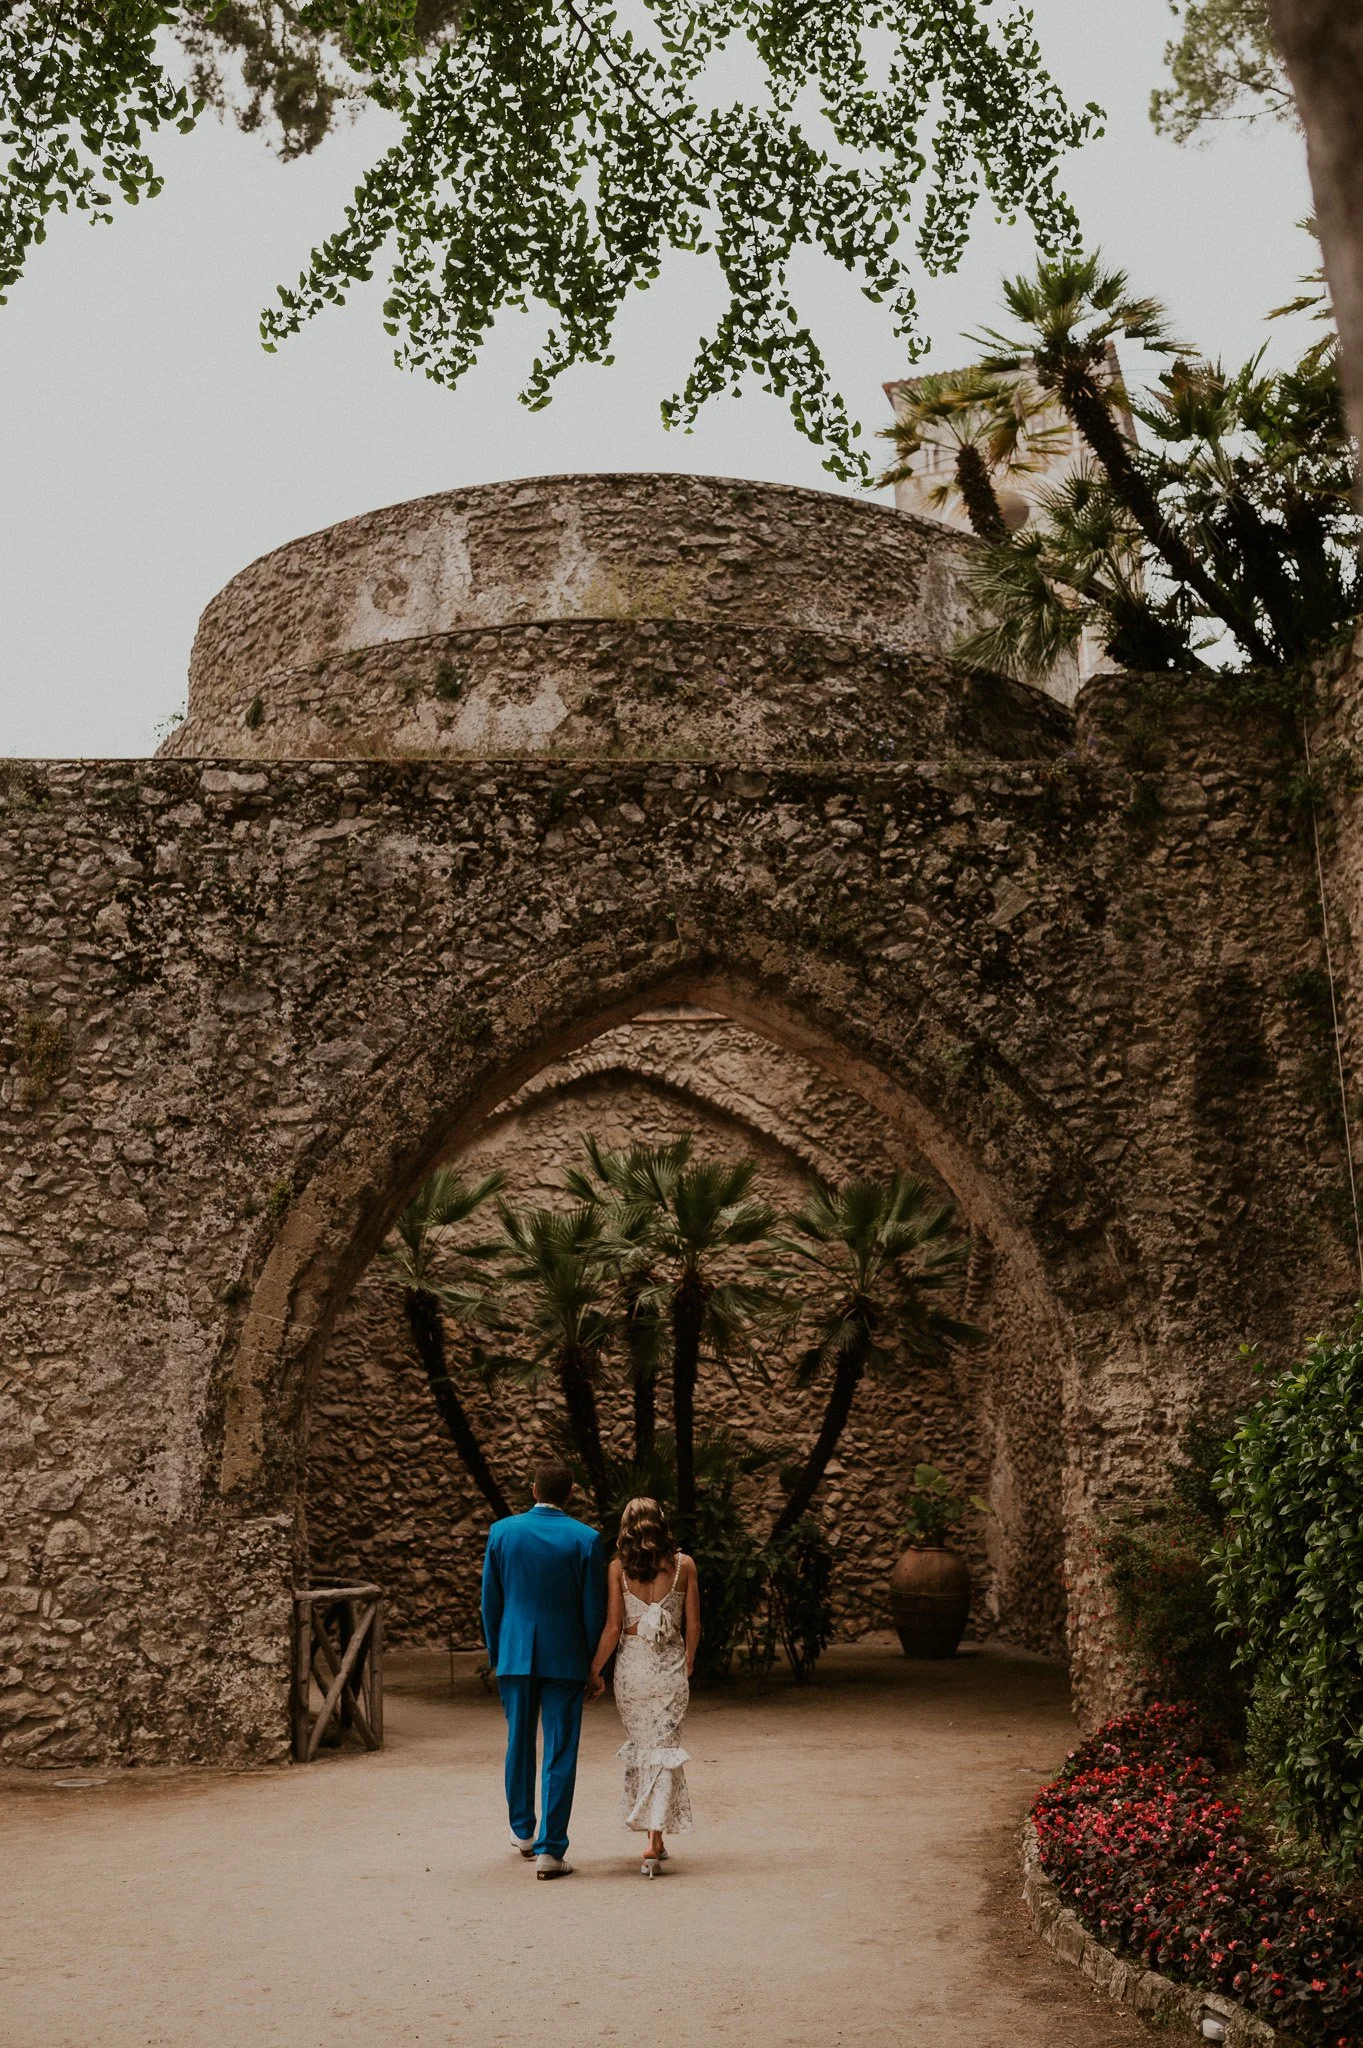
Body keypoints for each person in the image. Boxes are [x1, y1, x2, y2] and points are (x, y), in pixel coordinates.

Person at [481, 1456, 607, 1880]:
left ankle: (523, 1832)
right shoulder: (586, 1539)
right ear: (570, 1494)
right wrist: (593, 1664)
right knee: (560, 1748)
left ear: (533, 1491)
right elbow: (594, 1610)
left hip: (515, 1654)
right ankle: (552, 1851)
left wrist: (497, 1653)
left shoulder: (502, 1533)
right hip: (566, 1656)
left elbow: (490, 1602)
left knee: (518, 1740)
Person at [588, 1496, 701, 1877]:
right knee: (665, 1750)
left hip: (632, 1672)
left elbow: (613, 1628)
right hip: (667, 1668)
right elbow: (694, 1626)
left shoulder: (618, 1569)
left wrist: (594, 1670)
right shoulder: (685, 1566)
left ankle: (655, 1837)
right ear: (662, 1523)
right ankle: (655, 1837)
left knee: (646, 1750)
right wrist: (687, 1662)